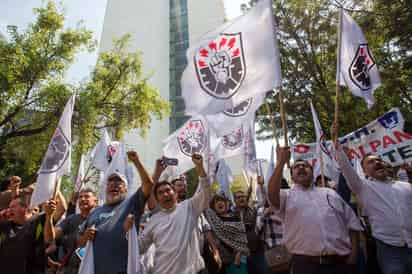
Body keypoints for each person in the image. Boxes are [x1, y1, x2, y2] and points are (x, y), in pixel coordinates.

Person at [267, 146, 362, 274]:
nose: (301, 167)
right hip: (306, 266)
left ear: (312, 173)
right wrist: (281, 163)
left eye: (305, 166)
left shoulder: (330, 193)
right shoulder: (286, 195)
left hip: (342, 264)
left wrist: (354, 255)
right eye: (296, 167)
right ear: (292, 177)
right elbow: (271, 195)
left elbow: (352, 224)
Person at [332, 123, 412, 274]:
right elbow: (346, 169)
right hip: (390, 251)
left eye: (379, 160)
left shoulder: (406, 186)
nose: (377, 162)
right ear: (364, 171)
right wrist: (337, 146)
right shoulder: (363, 187)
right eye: (371, 162)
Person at [125, 154, 210, 274]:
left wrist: (199, 167)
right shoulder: (154, 221)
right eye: (160, 193)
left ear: (175, 194)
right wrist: (130, 232)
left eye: (168, 190)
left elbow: (205, 191)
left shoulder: (189, 207)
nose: (165, 194)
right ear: (157, 199)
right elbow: (139, 248)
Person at [78, 150, 153, 274]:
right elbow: (79, 241)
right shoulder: (95, 212)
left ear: (126, 188)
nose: (114, 184)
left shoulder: (132, 203)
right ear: (106, 188)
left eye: (119, 182)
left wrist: (136, 161)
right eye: (110, 182)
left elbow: (149, 184)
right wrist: (86, 236)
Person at [46, 187, 97, 274]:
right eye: (80, 197)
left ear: (96, 201)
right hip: (71, 269)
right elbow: (50, 237)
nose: (82, 199)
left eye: (86, 196)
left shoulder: (102, 219)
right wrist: (49, 217)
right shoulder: (71, 219)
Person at [0, 195, 56, 274]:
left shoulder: (39, 222)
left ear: (25, 208)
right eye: (9, 207)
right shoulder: (5, 226)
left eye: (13, 207)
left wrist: (49, 216)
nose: (8, 210)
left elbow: (49, 239)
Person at [205, 194, 249, 274]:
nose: (220, 203)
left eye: (222, 201)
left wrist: (238, 255)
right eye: (216, 202)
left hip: (239, 259)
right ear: (213, 207)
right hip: (223, 261)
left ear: (226, 204)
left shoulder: (235, 218)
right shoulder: (214, 221)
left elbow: (242, 238)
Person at [233, 188, 266, 274]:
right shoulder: (231, 216)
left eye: (243, 196)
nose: (241, 198)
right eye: (238, 197)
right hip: (242, 256)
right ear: (234, 200)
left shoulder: (254, 210)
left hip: (257, 251)